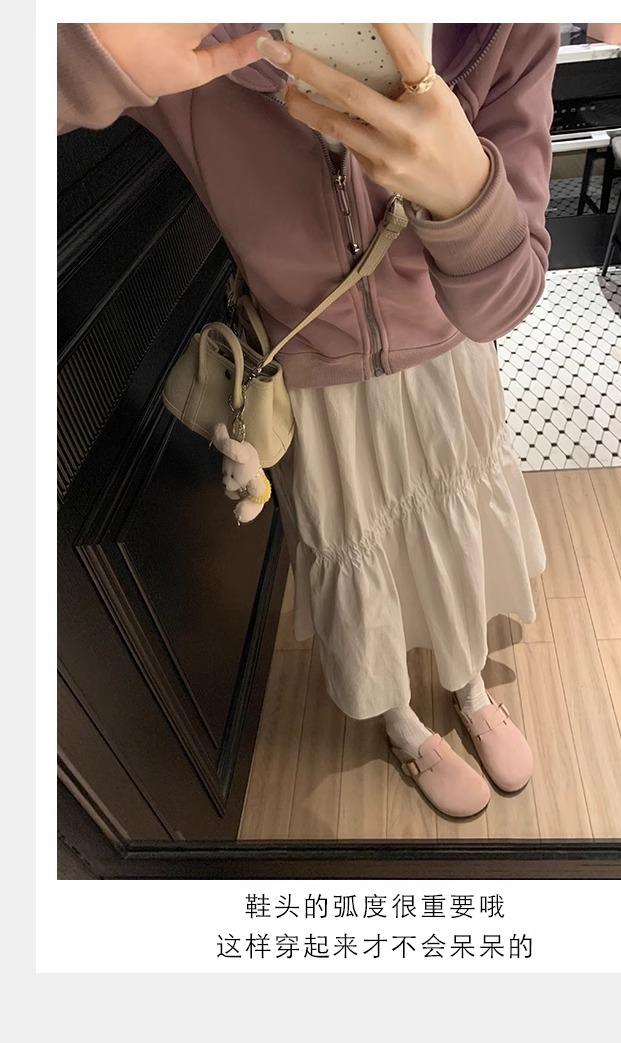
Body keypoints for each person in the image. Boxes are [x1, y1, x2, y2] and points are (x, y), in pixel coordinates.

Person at [58, 22, 559, 819]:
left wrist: (466, 193)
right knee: (357, 549)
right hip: (314, 372)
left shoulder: (501, 26)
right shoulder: (195, 39)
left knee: (457, 529)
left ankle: (468, 686)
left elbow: (512, 294)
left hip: (448, 352)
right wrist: (89, 49)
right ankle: (401, 721)